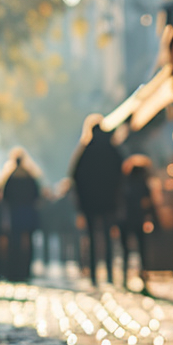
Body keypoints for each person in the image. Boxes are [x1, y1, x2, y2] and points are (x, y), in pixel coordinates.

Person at [70, 115, 123, 287]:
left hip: (90, 202)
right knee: (108, 237)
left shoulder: (86, 150)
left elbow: (75, 176)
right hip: (109, 201)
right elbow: (121, 172)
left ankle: (93, 274)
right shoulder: (111, 149)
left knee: (93, 238)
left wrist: (81, 199)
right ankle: (109, 273)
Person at [119, 154, 159, 291]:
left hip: (125, 220)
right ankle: (143, 276)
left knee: (126, 251)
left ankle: (125, 277)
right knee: (142, 250)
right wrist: (153, 219)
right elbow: (149, 203)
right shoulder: (143, 184)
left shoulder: (124, 183)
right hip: (138, 220)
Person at [0, 148, 41, 282]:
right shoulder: (30, 176)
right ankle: (26, 270)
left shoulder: (10, 177)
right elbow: (37, 195)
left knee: (14, 242)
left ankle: (14, 271)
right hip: (28, 213)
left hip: (15, 214)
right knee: (28, 242)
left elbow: (4, 197)